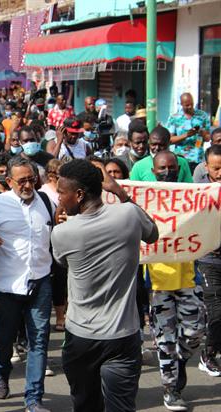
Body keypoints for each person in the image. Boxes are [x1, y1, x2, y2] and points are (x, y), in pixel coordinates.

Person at [51, 159, 159, 412]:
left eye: (61, 193)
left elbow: (62, 262)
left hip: (81, 338)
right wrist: (120, 192)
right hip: (124, 335)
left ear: (78, 195)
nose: (58, 199)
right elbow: (152, 233)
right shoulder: (129, 214)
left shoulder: (62, 233)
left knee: (85, 405)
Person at [0, 157, 54, 412]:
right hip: (6, 286)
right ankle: (1, 373)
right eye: (22, 180)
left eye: (31, 179)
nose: (28, 185)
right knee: (4, 339)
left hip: (40, 281)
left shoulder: (47, 201)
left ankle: (33, 399)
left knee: (39, 339)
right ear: (9, 182)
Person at [147, 151, 205, 411]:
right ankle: (171, 389)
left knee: (195, 332)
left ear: (179, 168)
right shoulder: (144, 200)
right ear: (153, 169)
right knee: (165, 340)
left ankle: (179, 360)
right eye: (162, 168)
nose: (167, 171)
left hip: (188, 279)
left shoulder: (191, 198)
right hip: (158, 284)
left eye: (172, 167)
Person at [196, 144, 221, 377]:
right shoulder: (198, 192)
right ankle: (208, 354)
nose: (220, 172)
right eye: (216, 168)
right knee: (216, 311)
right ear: (206, 167)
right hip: (209, 260)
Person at [167, 92, 211, 169]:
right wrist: (186, 135)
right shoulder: (174, 118)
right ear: (181, 104)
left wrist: (202, 132)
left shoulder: (202, 116)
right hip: (181, 159)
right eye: (187, 105)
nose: (190, 107)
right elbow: (169, 140)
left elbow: (208, 138)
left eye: (192, 104)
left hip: (198, 158)